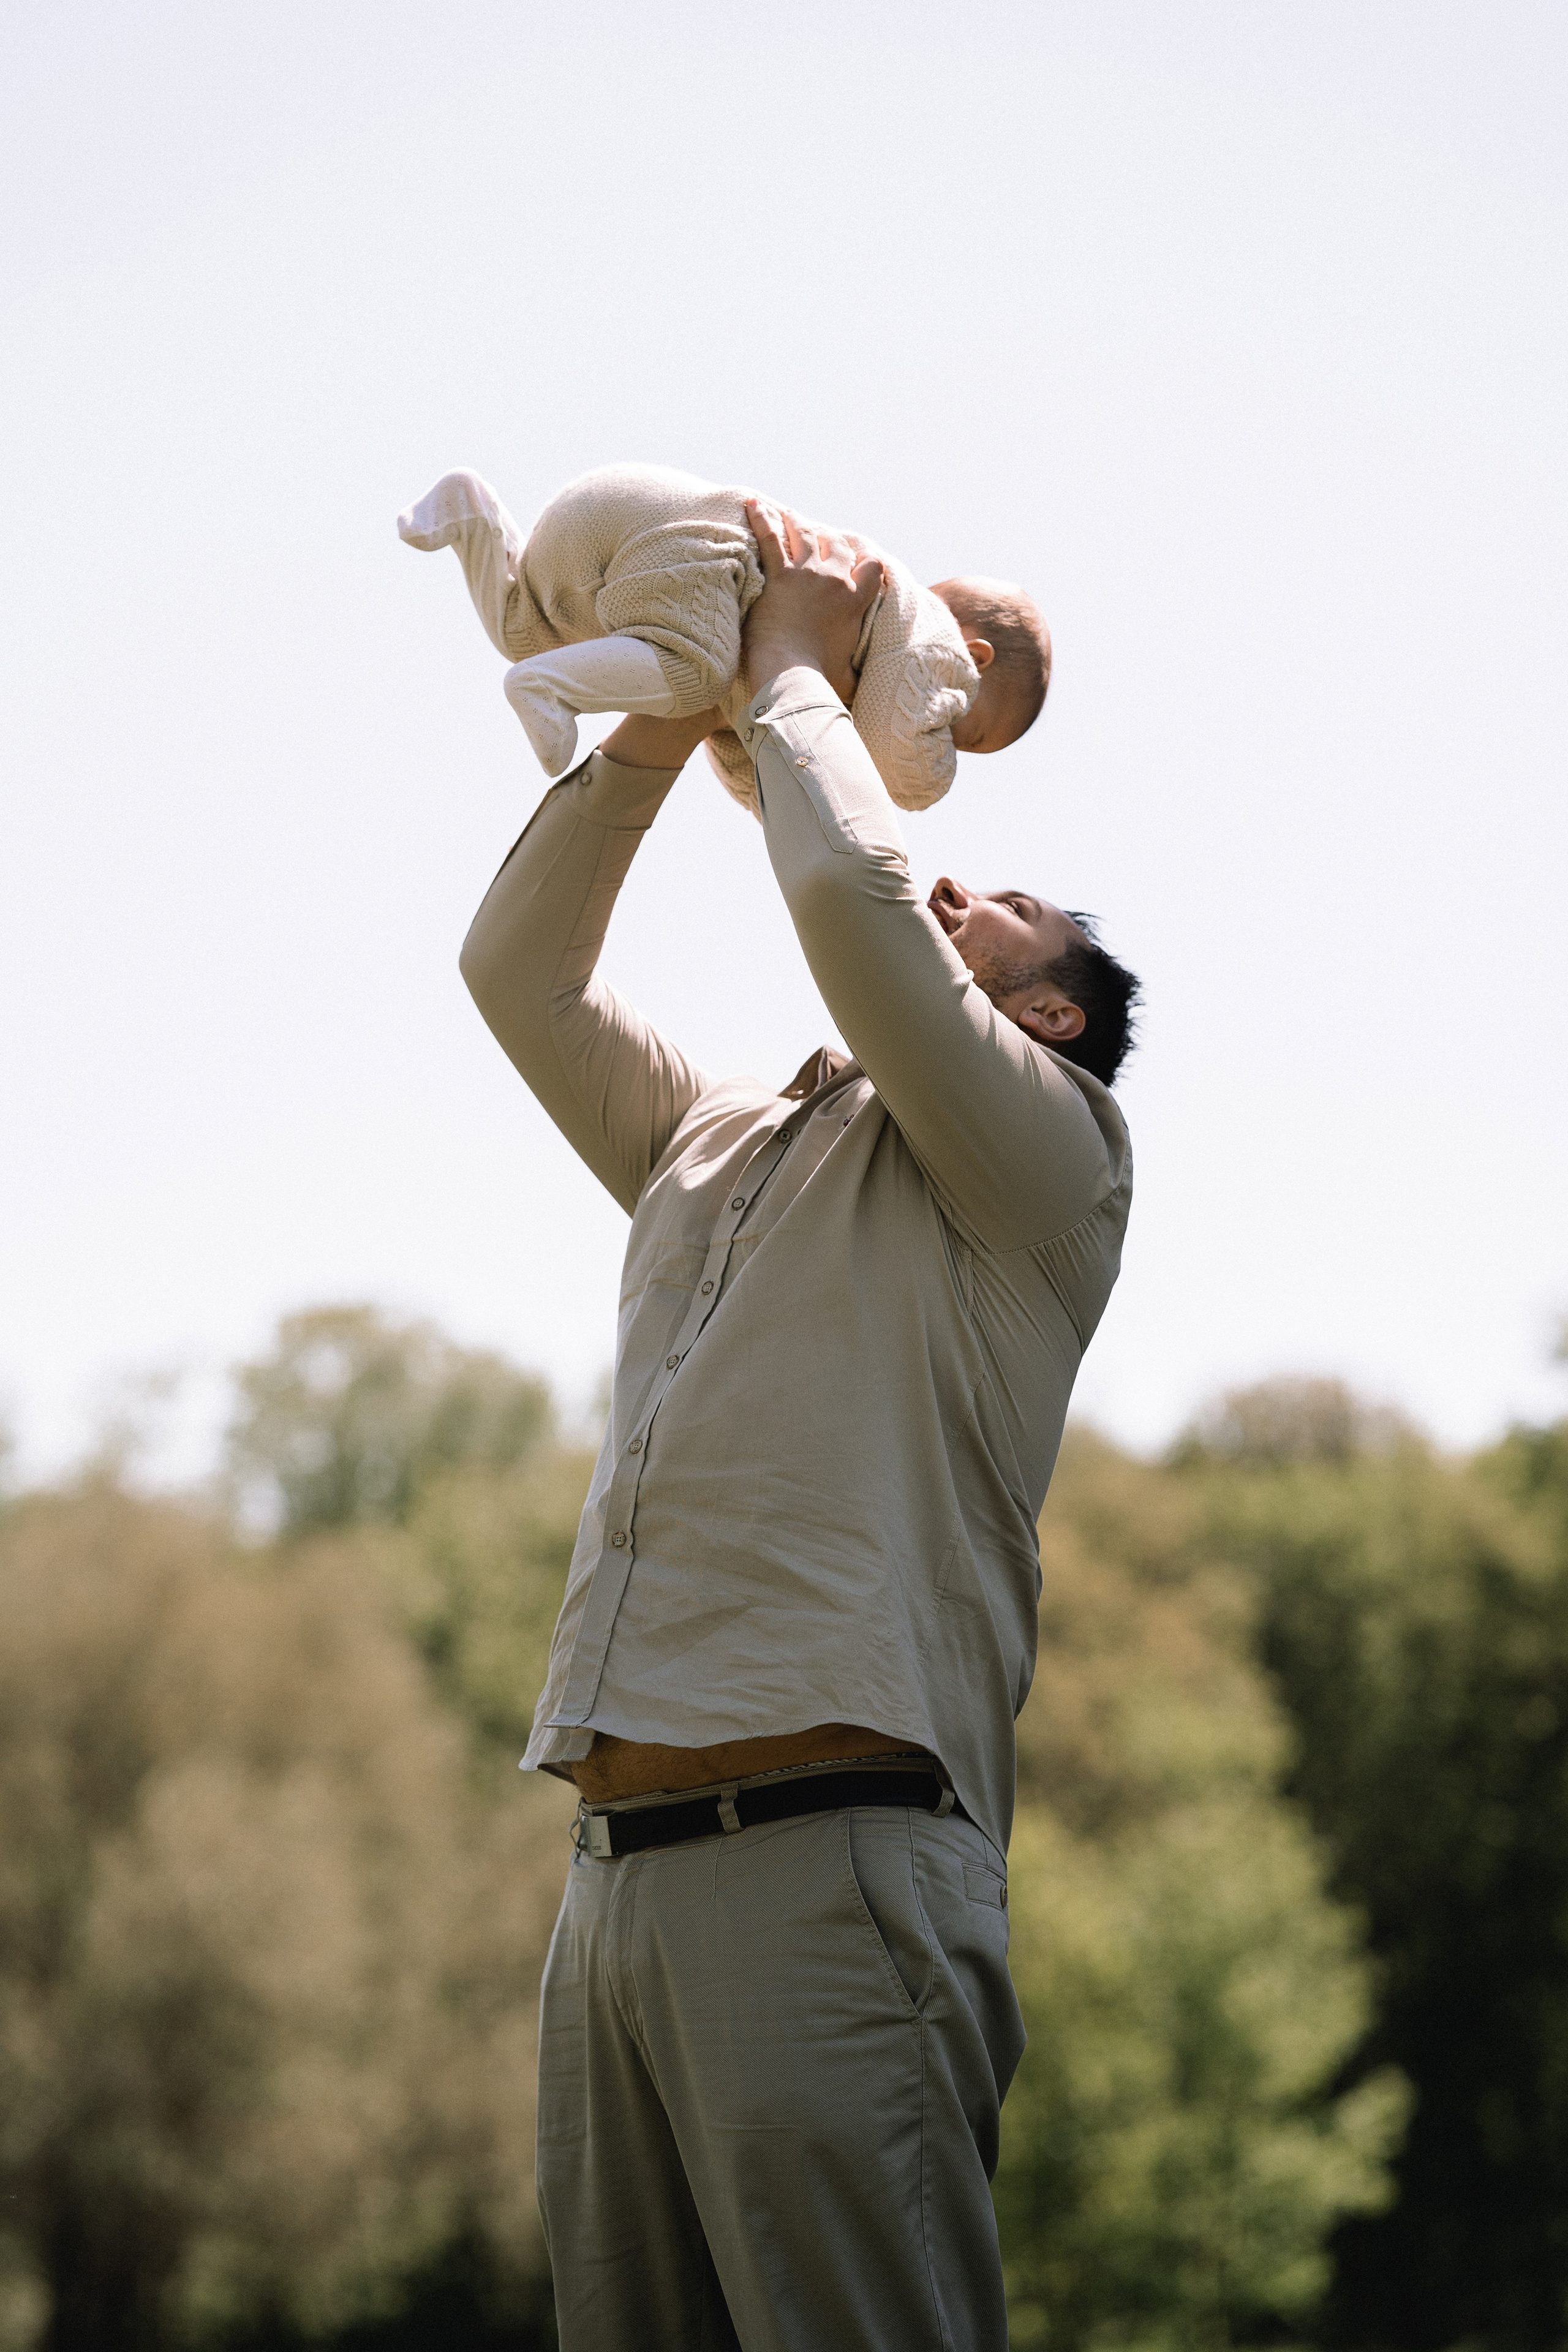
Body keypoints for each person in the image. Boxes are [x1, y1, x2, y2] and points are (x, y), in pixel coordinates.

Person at [457, 503, 1137, 2352]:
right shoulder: (721, 1139)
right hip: (608, 1900)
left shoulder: (1048, 1160)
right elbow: (518, 974)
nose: (945, 883)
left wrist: (791, 658)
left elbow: (851, 897)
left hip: (837, 1869)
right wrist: (675, 703)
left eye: (998, 907)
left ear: (1051, 1005)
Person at [399, 462, 1049, 812]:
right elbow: (902, 767)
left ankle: (473, 518)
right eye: (966, 733)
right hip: (697, 540)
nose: (949, 741)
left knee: (526, 630)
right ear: (975, 657)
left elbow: (753, 755)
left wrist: (787, 792)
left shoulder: (836, 659)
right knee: (692, 670)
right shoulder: (921, 633)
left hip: (600, 530)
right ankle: (545, 687)